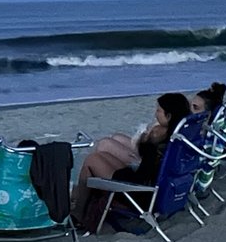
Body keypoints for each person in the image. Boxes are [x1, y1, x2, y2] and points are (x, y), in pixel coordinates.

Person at [70, 92, 192, 233]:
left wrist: (147, 139)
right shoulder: (178, 136)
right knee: (100, 156)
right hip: (152, 185)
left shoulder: (159, 137)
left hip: (139, 191)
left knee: (91, 161)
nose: (155, 114)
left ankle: (78, 212)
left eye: (158, 111)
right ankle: (79, 205)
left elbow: (144, 159)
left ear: (169, 116)